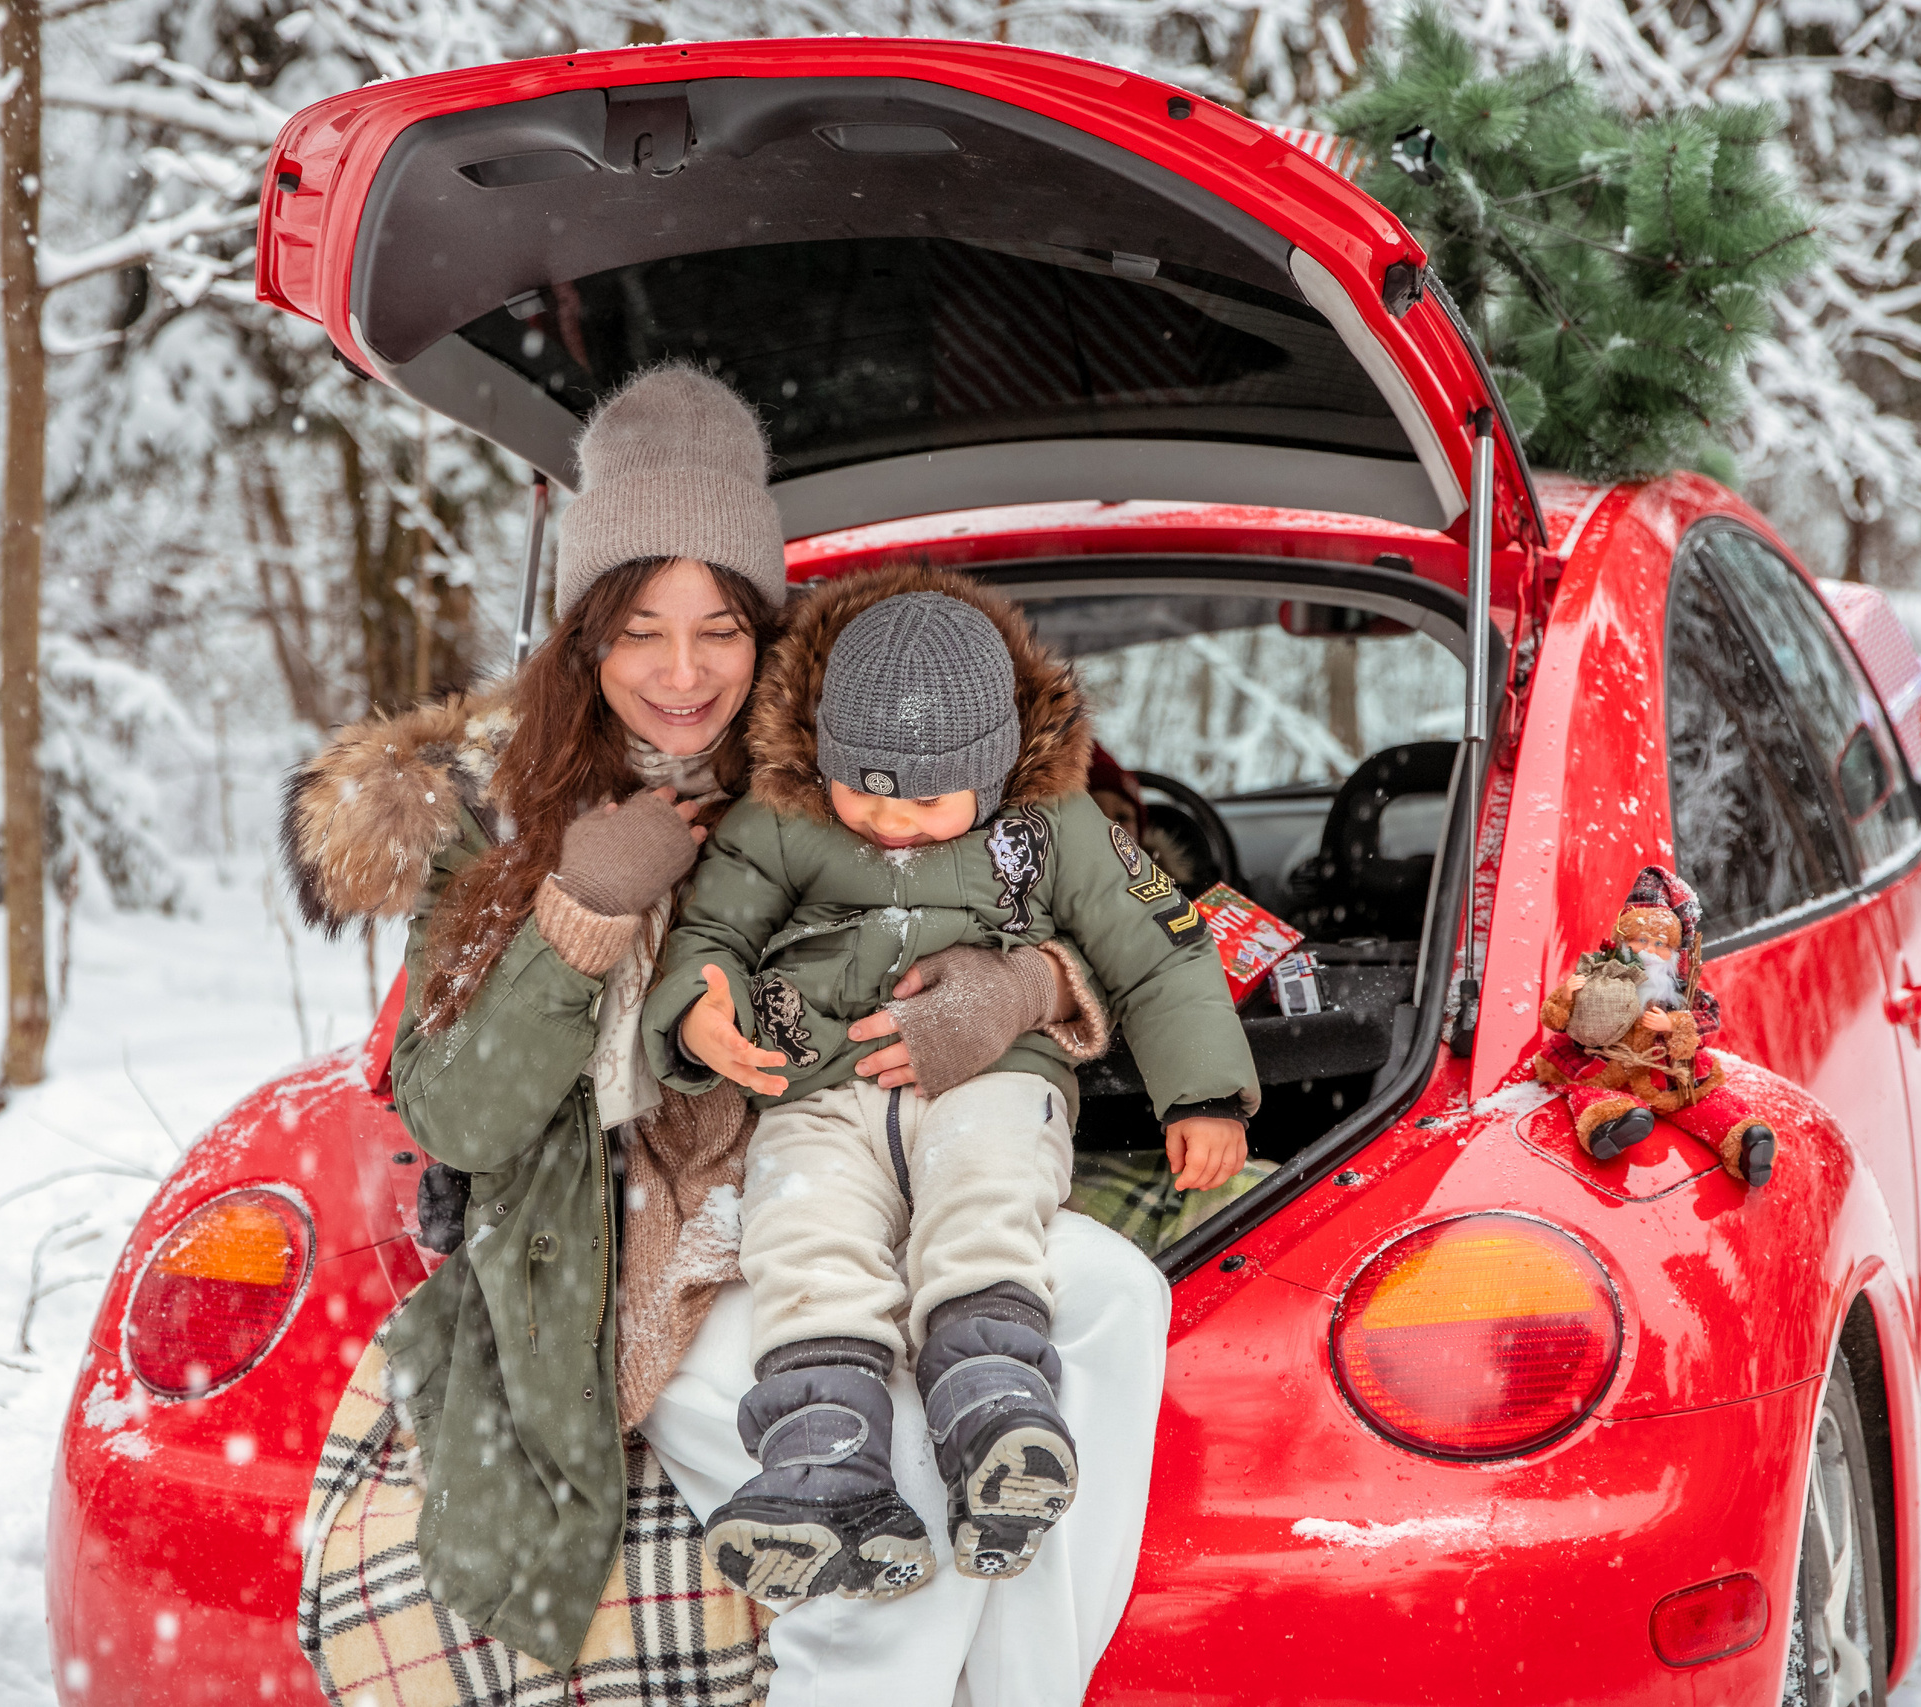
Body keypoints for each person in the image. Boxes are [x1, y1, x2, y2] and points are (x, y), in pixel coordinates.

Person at [280, 363, 1172, 1707]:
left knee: (1117, 1300)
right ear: (585, 638)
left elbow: (1059, 895)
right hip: (630, 1243)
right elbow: (457, 1113)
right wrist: (581, 908)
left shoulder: (828, 774)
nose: (682, 672)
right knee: (892, 1520)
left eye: (719, 629)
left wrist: (1032, 987)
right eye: (641, 629)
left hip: (834, 1175)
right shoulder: (501, 818)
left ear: (769, 632)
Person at [643, 567, 1261, 1606]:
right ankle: (820, 1448)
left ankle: (993, 1396)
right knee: (802, 1230)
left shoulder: (1051, 831)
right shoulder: (780, 823)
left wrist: (1200, 1095)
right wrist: (696, 1010)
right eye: (865, 792)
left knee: (986, 1190)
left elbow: (1160, 949)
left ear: (994, 767)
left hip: (990, 1074)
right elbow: (709, 933)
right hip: (823, 1093)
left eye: (929, 799)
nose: (893, 824)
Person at [1533, 864, 1777, 1185]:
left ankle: (1745, 1139)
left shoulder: (1678, 991)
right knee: (1588, 1092)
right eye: (1641, 941)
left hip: (1664, 1070)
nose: (1649, 951)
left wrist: (1672, 1024)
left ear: (1673, 953)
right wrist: (1567, 995)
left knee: (1705, 1103)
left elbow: (1708, 1020)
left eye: (1660, 945)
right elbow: (1560, 1020)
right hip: (1606, 1061)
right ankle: (1611, 1126)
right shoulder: (1599, 974)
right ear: (1623, 941)